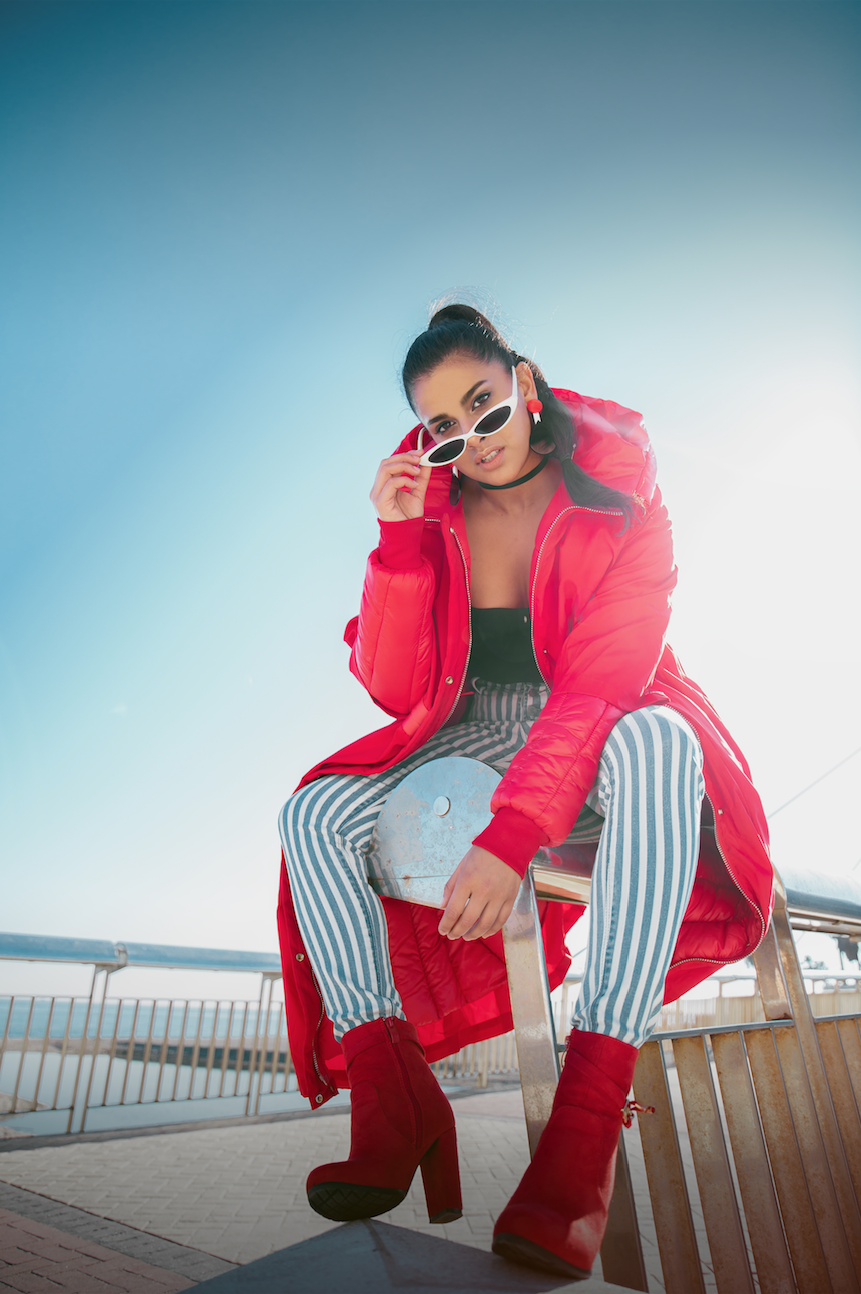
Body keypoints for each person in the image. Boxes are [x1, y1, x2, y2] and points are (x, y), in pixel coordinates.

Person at [276, 304, 772, 1281]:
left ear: (526, 385)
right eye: (443, 428)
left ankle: (584, 1135)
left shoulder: (623, 494)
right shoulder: (434, 511)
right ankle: (393, 1097)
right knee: (314, 812)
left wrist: (511, 837)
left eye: (486, 405)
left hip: (604, 716)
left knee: (662, 746)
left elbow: (600, 682)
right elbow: (395, 689)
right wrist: (396, 546)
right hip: (476, 728)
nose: (474, 438)